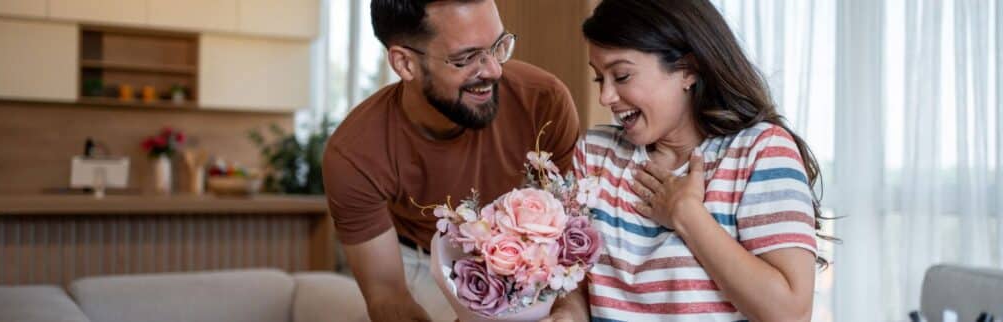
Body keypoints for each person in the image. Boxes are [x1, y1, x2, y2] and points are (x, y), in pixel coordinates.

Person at [547, 0, 827, 321]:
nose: (606, 97)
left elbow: (790, 313)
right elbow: (576, 282)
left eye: (621, 76)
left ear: (687, 70)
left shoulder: (760, 151)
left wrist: (687, 215)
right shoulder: (595, 153)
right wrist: (568, 313)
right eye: (600, 79)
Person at [321, 0, 581, 321]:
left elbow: (574, 234)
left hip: (527, 261)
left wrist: (570, 310)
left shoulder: (545, 101)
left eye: (498, 46)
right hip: (418, 264)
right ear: (405, 64)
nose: (494, 70)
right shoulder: (355, 155)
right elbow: (387, 295)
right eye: (467, 58)